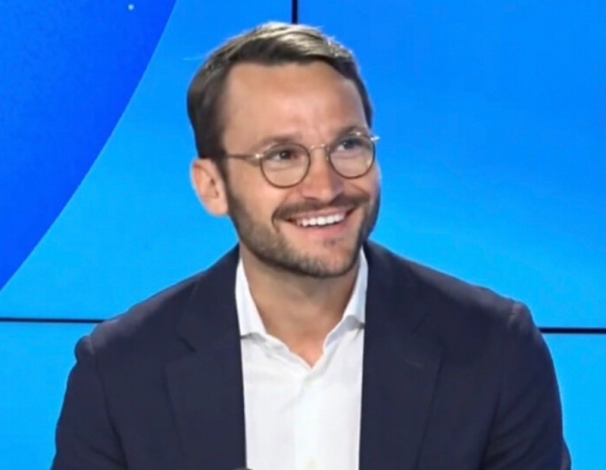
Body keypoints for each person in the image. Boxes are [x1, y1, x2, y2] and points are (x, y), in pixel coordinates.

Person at [52, 22, 571, 470]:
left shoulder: (495, 350)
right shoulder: (120, 373)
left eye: (348, 145)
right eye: (282, 155)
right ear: (212, 187)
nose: (325, 187)